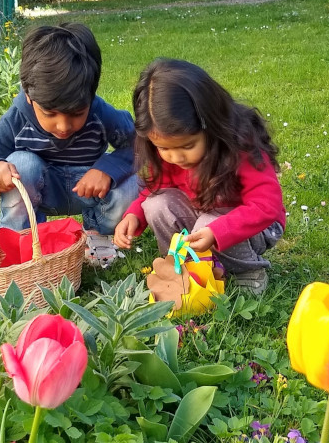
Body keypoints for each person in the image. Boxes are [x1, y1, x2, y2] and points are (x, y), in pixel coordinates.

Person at [0, 23, 139, 267]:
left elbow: (141, 146)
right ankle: (21, 244)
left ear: (91, 94)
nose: (64, 126)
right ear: (28, 94)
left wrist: (107, 169)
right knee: (20, 164)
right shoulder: (17, 118)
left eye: (77, 113)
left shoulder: (100, 113)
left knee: (132, 184)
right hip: (39, 190)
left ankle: (95, 237)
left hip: (88, 190)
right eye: (50, 113)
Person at [114, 58, 286, 294]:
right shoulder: (164, 153)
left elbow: (267, 206)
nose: (176, 158)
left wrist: (218, 231)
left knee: (209, 222)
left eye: (187, 146)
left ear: (210, 124)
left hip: (257, 227)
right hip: (204, 216)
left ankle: (248, 269)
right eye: (164, 149)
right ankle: (185, 265)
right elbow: (155, 189)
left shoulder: (239, 146)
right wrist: (134, 215)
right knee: (155, 205)